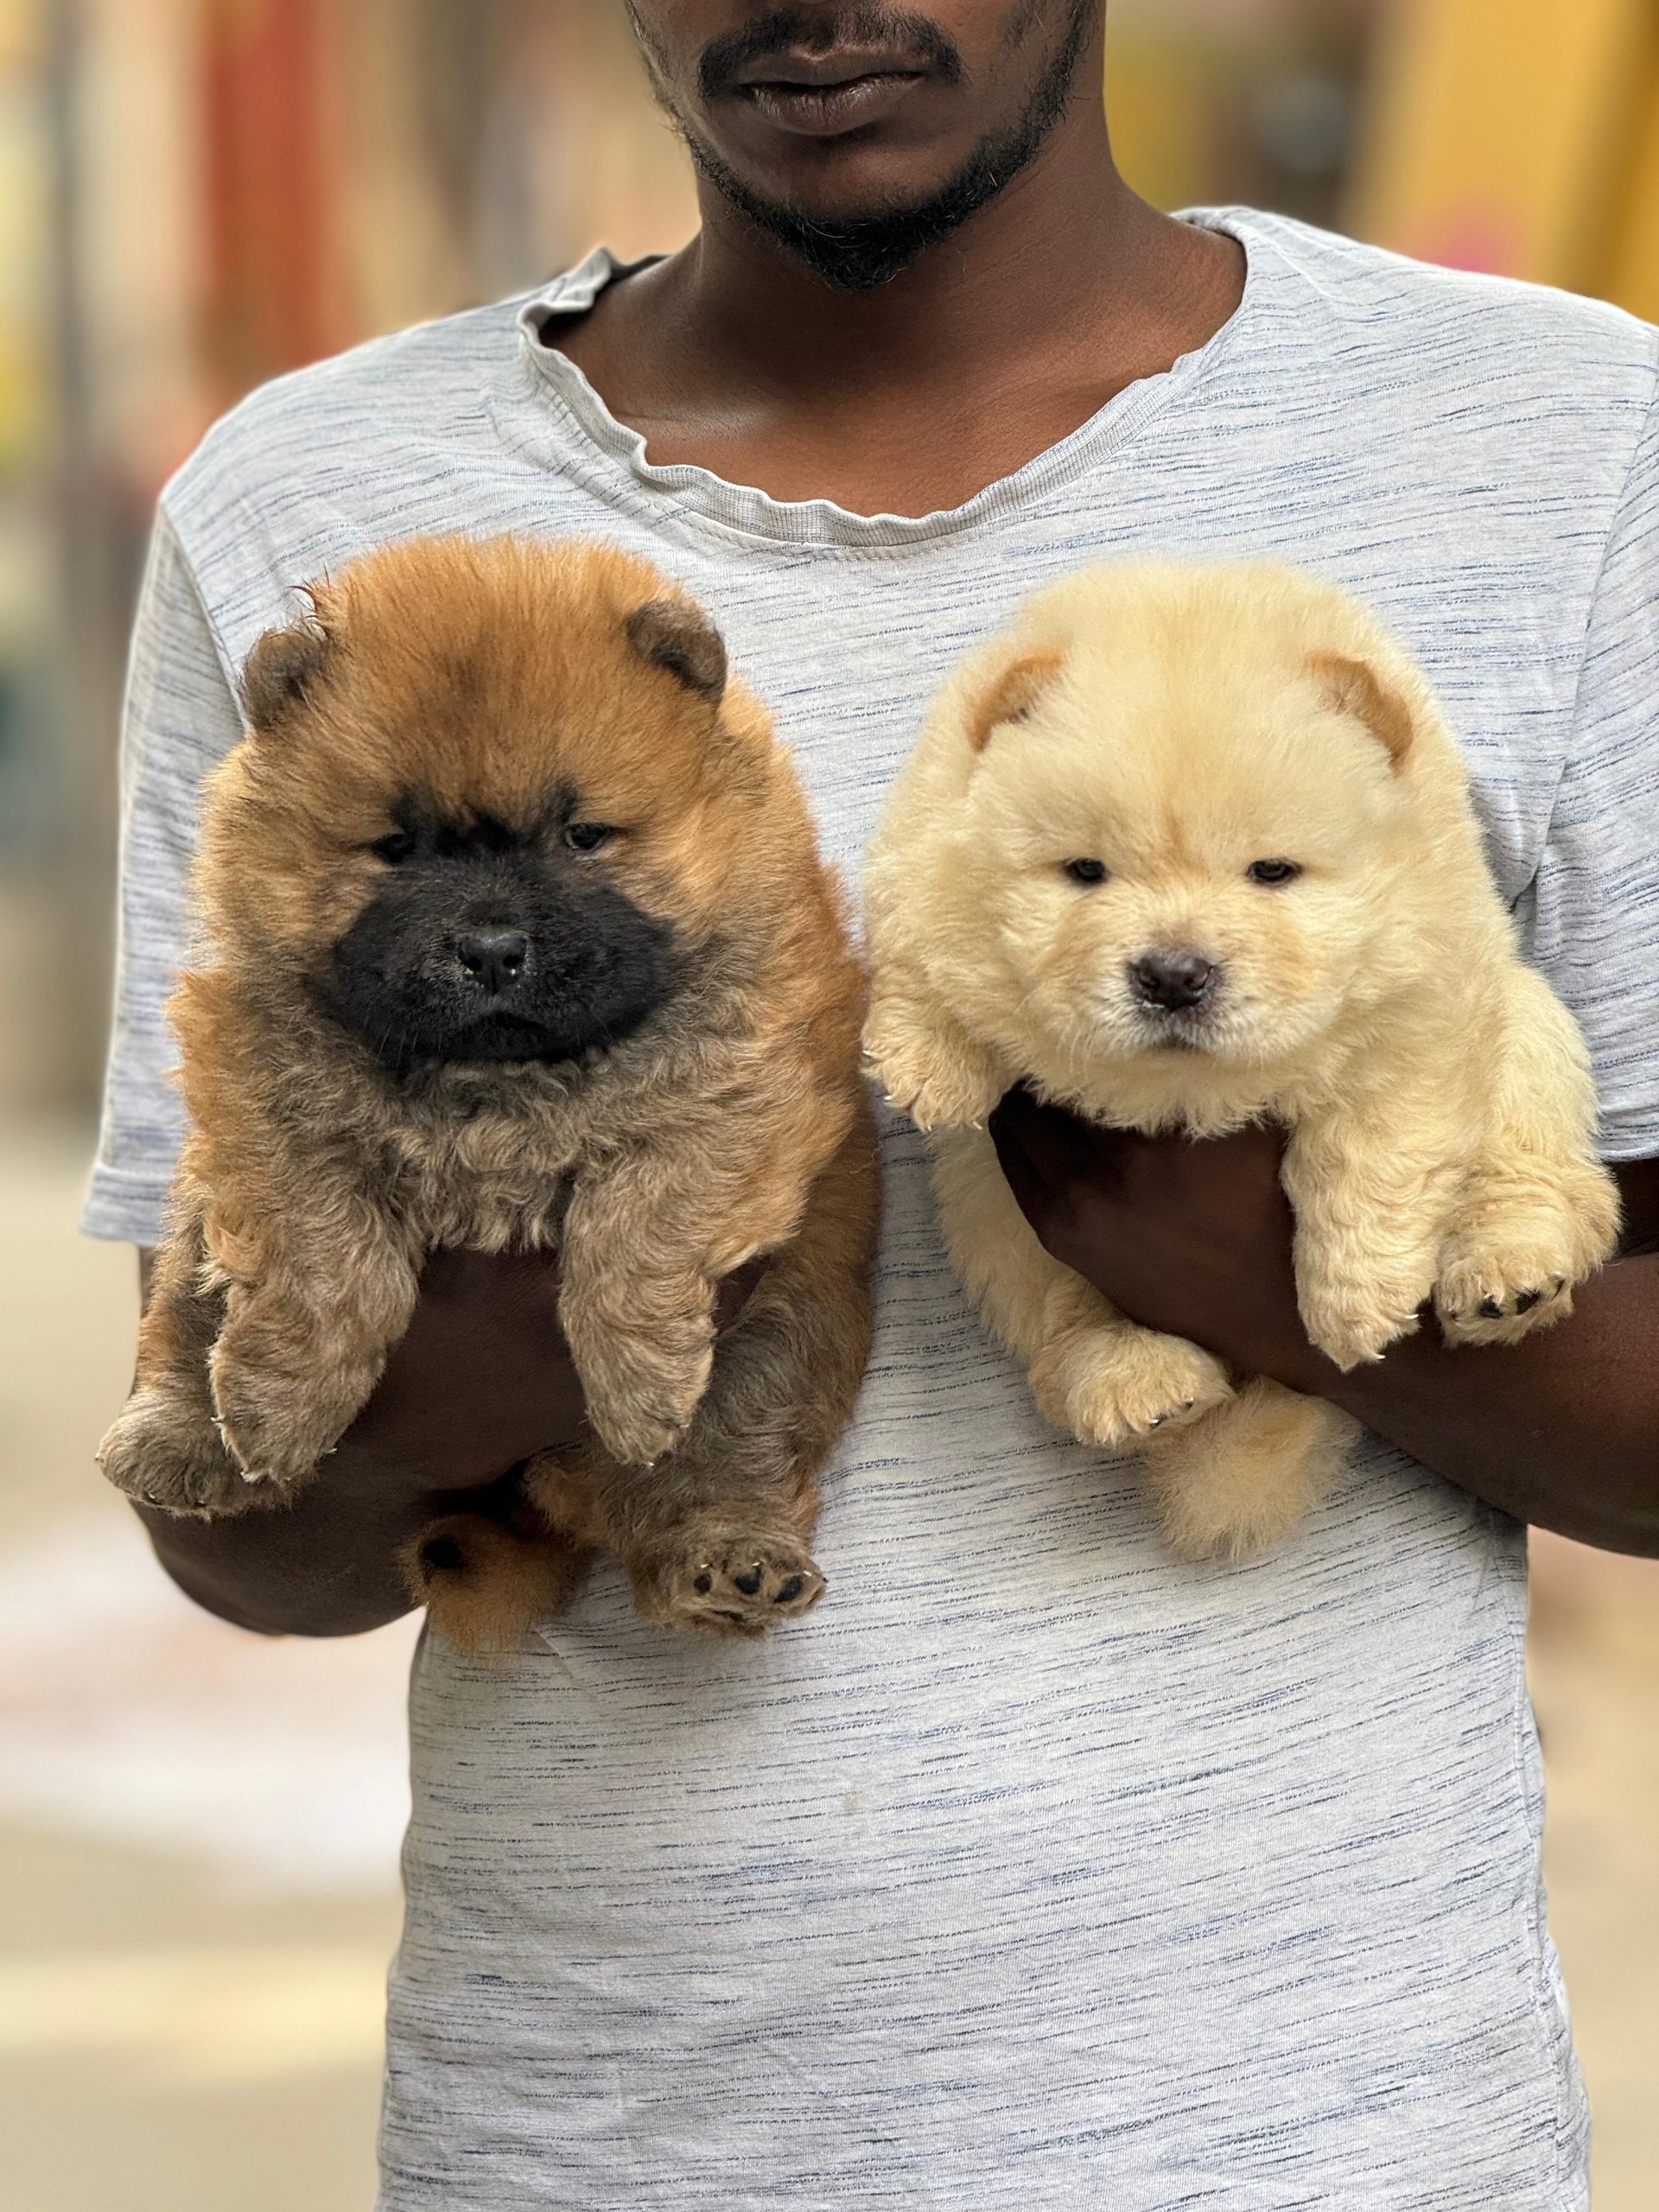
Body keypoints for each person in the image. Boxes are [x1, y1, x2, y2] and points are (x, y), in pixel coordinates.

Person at [86, 0, 1658, 2202]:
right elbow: (236, 1536)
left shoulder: (1555, 440)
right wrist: (522, 1282)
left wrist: (1253, 1268)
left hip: (1336, 2132)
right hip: (596, 2132)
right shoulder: (311, 510)